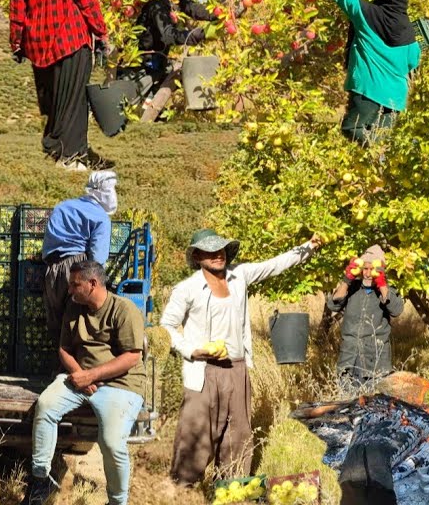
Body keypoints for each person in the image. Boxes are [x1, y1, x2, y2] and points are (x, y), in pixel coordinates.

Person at [159, 229, 323, 485]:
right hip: (203, 371)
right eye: (211, 251)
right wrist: (192, 350)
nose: (218, 255)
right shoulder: (187, 289)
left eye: (221, 250)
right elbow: (166, 327)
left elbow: (275, 265)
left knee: (238, 434)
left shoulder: (240, 275)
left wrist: (308, 247)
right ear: (198, 256)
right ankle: (182, 491)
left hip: (236, 368)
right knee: (196, 432)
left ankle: (231, 490)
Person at [23, 260, 147, 505]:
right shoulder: (74, 308)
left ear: (92, 284)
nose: (69, 290)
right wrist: (80, 374)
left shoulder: (123, 310)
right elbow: (64, 349)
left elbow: (132, 356)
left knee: (111, 442)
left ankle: (117, 501)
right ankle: (41, 478)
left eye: (74, 285)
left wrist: (93, 375)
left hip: (120, 384)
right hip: (80, 378)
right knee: (45, 406)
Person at [10, 0, 111, 172]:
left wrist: (17, 44)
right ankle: (72, 156)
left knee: (54, 101)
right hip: (71, 39)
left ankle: (60, 150)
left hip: (38, 45)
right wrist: (100, 32)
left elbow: (17, 11)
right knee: (75, 99)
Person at [322, 0, 421, 145]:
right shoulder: (409, 31)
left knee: (352, 128)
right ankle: (376, 156)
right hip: (396, 98)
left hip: (369, 90)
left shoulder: (369, 15)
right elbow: (413, 61)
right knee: (381, 140)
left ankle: (372, 151)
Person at [120, 0, 218, 122]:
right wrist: (195, 35)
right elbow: (168, 34)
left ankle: (149, 115)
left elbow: (195, 9)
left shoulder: (177, 0)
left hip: (157, 64)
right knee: (126, 112)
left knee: (152, 112)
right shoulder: (157, 3)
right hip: (138, 67)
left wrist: (218, 15)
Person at [40, 171, 117, 342]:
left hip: (51, 270)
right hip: (78, 267)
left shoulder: (62, 207)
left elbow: (47, 245)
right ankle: (79, 367)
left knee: (57, 322)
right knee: (77, 321)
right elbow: (97, 258)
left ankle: (58, 365)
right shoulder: (101, 218)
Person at [327, 246, 405, 394]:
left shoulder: (388, 289)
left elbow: (396, 310)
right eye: (365, 269)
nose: (368, 274)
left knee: (374, 405)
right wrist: (346, 279)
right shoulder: (352, 287)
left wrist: (382, 284)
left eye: (372, 269)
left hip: (375, 361)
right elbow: (333, 304)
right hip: (349, 357)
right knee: (348, 402)